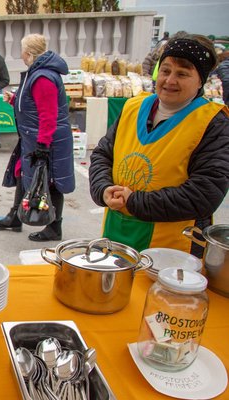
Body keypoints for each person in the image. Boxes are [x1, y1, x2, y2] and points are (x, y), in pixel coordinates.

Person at [89, 35, 229, 257]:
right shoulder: (133, 108)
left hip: (172, 250)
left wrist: (134, 201)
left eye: (182, 74)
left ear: (200, 80)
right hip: (117, 235)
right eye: (165, 70)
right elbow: (102, 155)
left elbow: (205, 192)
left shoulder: (212, 123)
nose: (170, 80)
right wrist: (103, 188)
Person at [0, 34, 74, 242]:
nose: (21, 54)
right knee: (22, 172)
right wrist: (15, 100)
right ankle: (16, 217)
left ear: (28, 53)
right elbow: (35, 105)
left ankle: (54, 227)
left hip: (46, 140)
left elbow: (48, 114)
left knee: (51, 181)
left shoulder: (43, 77)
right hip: (32, 137)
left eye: (22, 50)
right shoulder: (37, 74)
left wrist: (43, 146)